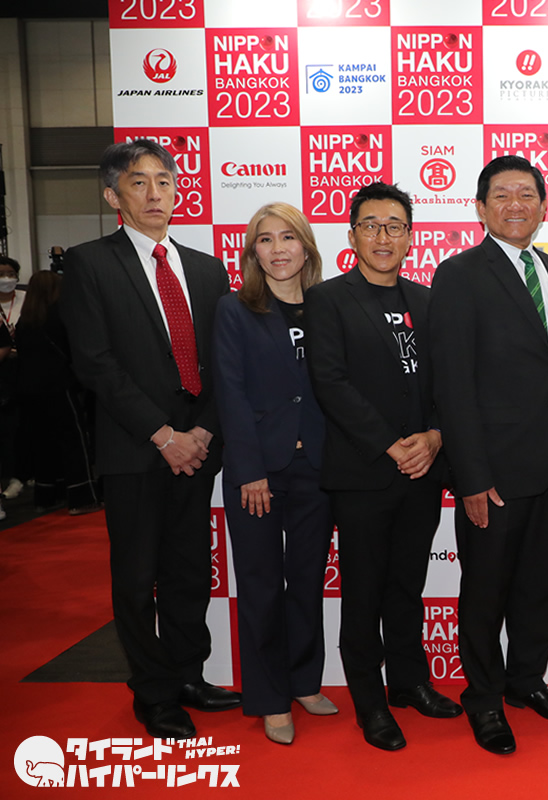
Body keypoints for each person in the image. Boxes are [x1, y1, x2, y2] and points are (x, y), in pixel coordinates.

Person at [60, 139, 240, 739]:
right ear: (113, 196)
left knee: (189, 571)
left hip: (199, 449)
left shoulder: (207, 269)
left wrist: (202, 431)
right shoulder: (89, 263)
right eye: (139, 182)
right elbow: (95, 363)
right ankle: (154, 693)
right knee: (138, 579)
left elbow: (224, 362)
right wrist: (164, 435)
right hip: (137, 449)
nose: (155, 193)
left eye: (164, 181)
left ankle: (189, 675)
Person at [429, 155, 548, 755]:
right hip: (490, 473)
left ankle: (527, 681)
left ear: (544, 206)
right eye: (501, 194)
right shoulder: (459, 274)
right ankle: (485, 698)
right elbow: (452, 384)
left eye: (526, 194)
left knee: (537, 585)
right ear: (480, 207)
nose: (515, 204)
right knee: (485, 590)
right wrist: (471, 475)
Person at [306, 182, 456, 751]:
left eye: (395, 226)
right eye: (371, 226)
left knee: (407, 586)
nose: (383, 237)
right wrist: (392, 445)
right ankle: (369, 701)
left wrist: (435, 436)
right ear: (352, 236)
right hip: (364, 472)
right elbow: (331, 383)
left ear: (410, 236)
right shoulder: (328, 299)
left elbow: (447, 383)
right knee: (364, 591)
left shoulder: (428, 301)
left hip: (423, 471)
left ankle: (409, 683)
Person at [213, 203, 337, 745]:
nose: (278, 248)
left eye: (289, 237)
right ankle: (269, 698)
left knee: (307, 582)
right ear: (253, 252)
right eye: (266, 239)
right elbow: (230, 393)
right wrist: (249, 470)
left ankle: (304, 680)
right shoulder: (234, 310)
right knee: (262, 586)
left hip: (318, 469)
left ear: (306, 247)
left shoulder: (328, 307)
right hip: (258, 472)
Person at [15, 270, 101, 514]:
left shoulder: (25, 321)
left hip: (29, 389)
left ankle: (46, 496)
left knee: (43, 443)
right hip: (59, 386)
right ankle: (82, 497)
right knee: (74, 440)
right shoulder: (60, 316)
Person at [0, 255, 26, 502]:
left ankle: (22, 473)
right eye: (1, 274)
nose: (6, 278)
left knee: (22, 424)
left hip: (25, 368)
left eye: (10, 274)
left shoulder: (26, 299)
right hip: (3, 371)